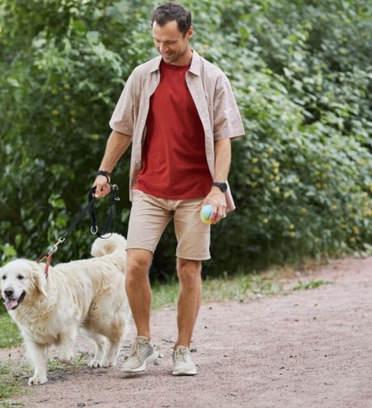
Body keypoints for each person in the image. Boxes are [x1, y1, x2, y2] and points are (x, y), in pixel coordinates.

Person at [92, 3, 244, 376]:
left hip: (197, 192)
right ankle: (143, 344)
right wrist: (104, 171)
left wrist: (217, 187)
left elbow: (225, 138)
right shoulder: (143, 76)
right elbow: (123, 127)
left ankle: (183, 349)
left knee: (188, 269)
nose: (163, 48)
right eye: (157, 40)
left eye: (171, 42)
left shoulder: (212, 78)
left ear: (189, 34)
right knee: (134, 264)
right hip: (150, 187)